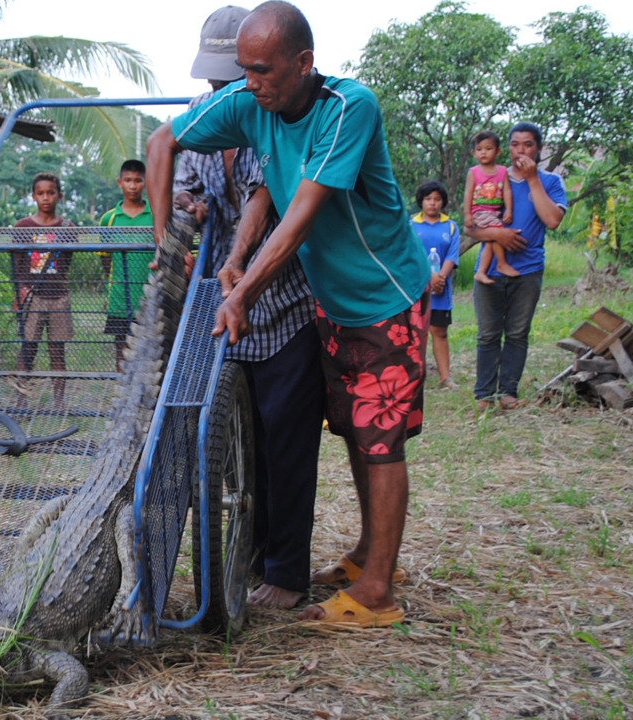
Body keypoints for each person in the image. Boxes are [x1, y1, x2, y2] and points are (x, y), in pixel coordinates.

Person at [147, 0, 432, 627]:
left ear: (303, 63)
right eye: (243, 70)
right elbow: (165, 138)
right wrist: (162, 241)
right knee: (356, 429)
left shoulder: (347, 107)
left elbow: (301, 212)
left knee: (379, 440)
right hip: (331, 299)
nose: (250, 83)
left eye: (263, 70)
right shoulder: (252, 102)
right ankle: (365, 555)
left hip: (383, 295)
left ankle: (379, 592)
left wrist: (242, 288)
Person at [175, 4, 323, 611]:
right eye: (217, 80)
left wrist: (241, 267)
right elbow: (185, 178)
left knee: (286, 440)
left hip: (283, 299)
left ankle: (286, 573)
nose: (224, 91)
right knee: (241, 439)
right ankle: (252, 555)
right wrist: (187, 211)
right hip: (226, 307)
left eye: (233, 79)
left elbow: (271, 200)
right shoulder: (203, 122)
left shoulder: (279, 120)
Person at [465, 122, 566, 412]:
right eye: (515, 144)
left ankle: (508, 392)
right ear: (506, 147)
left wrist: (533, 179)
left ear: (539, 148)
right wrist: (499, 234)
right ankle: (484, 394)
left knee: (518, 333)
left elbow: (552, 221)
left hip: (529, 270)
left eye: (528, 145)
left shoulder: (549, 182)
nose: (520, 150)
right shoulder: (492, 176)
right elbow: (472, 228)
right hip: (492, 271)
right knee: (487, 334)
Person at [12, 172, 74, 407]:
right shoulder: (23, 226)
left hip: (58, 297)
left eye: (51, 193)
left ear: (60, 196)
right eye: (40, 193)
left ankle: (59, 402)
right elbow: (16, 263)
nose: (45, 198)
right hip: (32, 297)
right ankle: (21, 400)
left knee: (57, 350)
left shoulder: (68, 227)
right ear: (33, 196)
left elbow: (67, 263)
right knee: (28, 349)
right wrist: (20, 291)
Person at [99, 160, 153, 372]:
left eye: (138, 181)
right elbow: (105, 258)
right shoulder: (109, 219)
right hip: (120, 298)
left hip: (149, 296)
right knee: (121, 349)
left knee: (151, 349)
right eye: (128, 180)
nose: (133, 186)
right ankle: (123, 397)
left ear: (145, 183)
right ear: (119, 182)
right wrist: (114, 285)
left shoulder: (156, 215)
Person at [411, 181, 461, 390]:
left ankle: (445, 377)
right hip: (415, 288)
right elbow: (409, 254)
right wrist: (428, 276)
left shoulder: (450, 226)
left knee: (439, 331)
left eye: (437, 199)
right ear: (421, 201)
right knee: (414, 332)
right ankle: (413, 377)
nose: (432, 203)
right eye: (428, 199)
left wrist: (440, 277)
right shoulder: (411, 225)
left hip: (442, 289)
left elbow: (452, 254)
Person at [464, 130, 516, 285]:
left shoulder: (502, 171)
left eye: (488, 148)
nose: (483, 153)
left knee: (491, 239)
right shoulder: (474, 172)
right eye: (479, 150)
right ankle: (501, 263)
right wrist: (467, 214)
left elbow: (507, 190)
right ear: (474, 153)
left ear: (498, 151)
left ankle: (481, 271)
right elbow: (468, 193)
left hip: (495, 212)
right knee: (497, 231)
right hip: (479, 211)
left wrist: (509, 209)